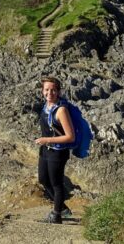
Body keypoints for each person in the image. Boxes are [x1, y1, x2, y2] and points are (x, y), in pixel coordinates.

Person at [35, 76, 75, 224]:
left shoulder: (61, 110)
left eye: (53, 90)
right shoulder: (46, 106)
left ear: (58, 92)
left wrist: (46, 140)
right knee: (43, 179)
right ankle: (63, 208)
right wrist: (45, 142)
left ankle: (56, 215)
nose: (49, 93)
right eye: (46, 90)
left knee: (56, 184)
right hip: (45, 151)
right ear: (42, 91)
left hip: (57, 152)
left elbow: (70, 137)